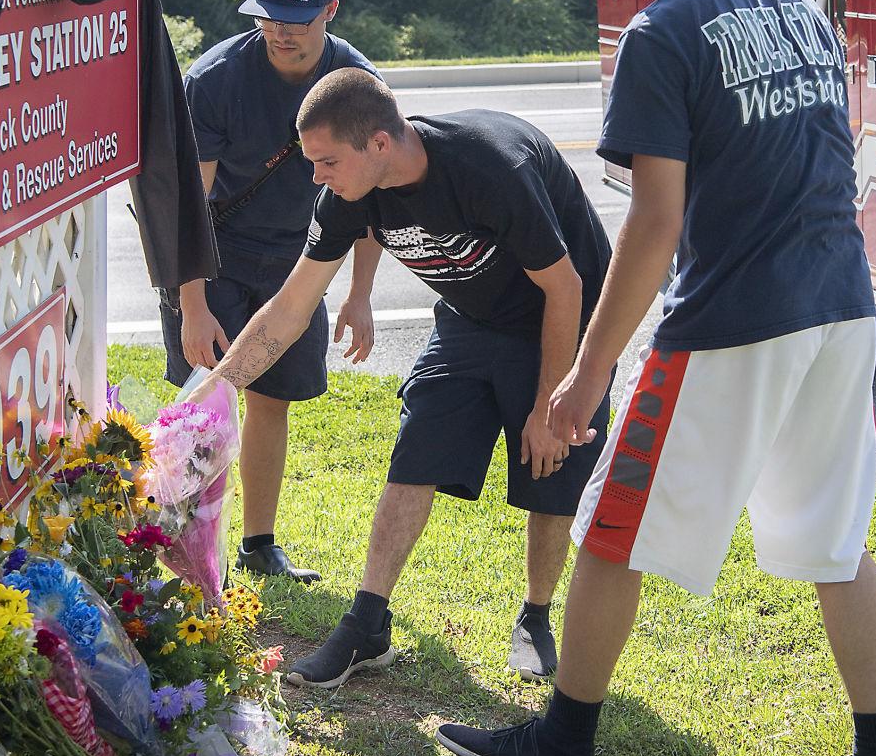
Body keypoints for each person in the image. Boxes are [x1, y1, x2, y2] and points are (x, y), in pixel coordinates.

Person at [435, 0, 876, 756]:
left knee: (610, 527)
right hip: (839, 307)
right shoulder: (800, 11)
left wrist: (584, 373)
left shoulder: (662, 32)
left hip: (730, 320)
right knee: (836, 541)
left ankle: (561, 746)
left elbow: (652, 224)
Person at [189, 68, 612, 686]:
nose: (316, 177)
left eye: (327, 161)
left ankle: (536, 615)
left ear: (379, 145)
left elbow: (566, 286)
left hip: (562, 316)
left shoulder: (490, 168)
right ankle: (367, 624)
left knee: (547, 465)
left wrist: (549, 405)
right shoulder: (346, 197)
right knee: (417, 452)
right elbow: (290, 306)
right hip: (470, 316)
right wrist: (213, 393)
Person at [161, 0, 382, 583]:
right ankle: (182, 548)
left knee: (272, 398)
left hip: (299, 259)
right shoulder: (217, 79)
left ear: (330, 12)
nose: (284, 31)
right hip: (217, 252)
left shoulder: (355, 84)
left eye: (301, 18)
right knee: (202, 399)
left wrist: (359, 294)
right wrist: (193, 307)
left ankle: (258, 543)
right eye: (272, 17)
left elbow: (369, 195)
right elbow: (188, 208)